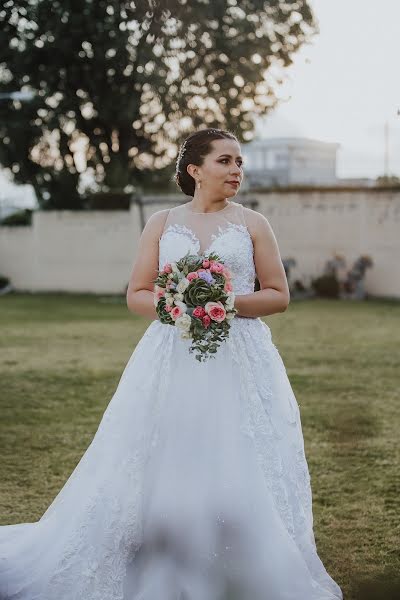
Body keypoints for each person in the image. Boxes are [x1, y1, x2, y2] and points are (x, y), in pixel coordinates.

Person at [0, 127, 343, 600]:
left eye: (239, 162)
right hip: (171, 353)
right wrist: (182, 305)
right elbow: (138, 294)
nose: (236, 170)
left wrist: (220, 301)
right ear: (194, 169)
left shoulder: (254, 224)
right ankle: (156, 552)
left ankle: (240, 558)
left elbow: (278, 296)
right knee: (162, 450)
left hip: (241, 357)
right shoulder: (161, 222)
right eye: (225, 161)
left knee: (238, 450)